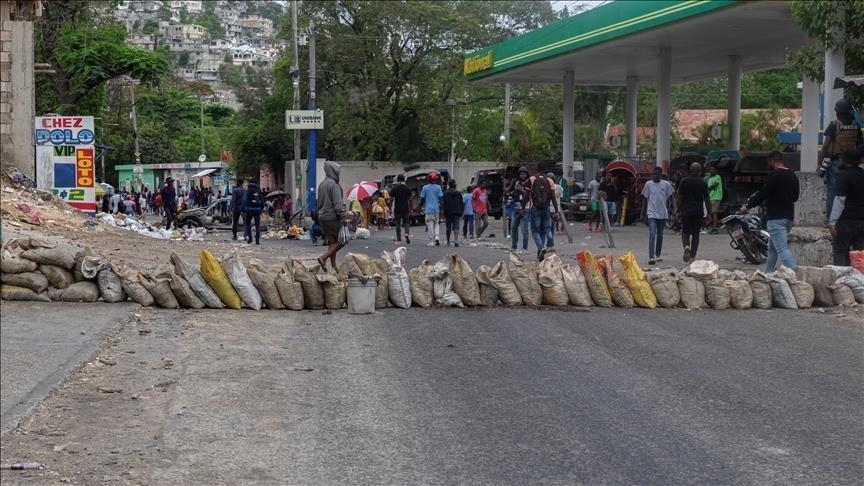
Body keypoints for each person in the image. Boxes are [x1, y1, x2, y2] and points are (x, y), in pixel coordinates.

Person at [742, 150, 800, 272]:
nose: (769, 165)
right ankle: (767, 274)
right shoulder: (793, 175)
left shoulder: (773, 175)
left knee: (782, 249)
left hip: (776, 218)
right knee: (772, 249)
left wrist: (748, 206)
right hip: (789, 218)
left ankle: (797, 275)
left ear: (772, 161)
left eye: (769, 162)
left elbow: (763, 193)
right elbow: (795, 197)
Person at [820, 99, 863, 221]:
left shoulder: (834, 125)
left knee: (833, 191)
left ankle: (830, 219)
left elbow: (825, 147)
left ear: (837, 112)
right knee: (851, 191)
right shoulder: (856, 125)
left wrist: (819, 163)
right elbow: (859, 145)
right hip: (853, 164)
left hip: (836, 162)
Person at [828, 148, 864, 266]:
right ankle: (859, 277)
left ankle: (840, 276)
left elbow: (840, 200)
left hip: (846, 221)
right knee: (859, 255)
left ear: (846, 161)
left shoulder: (844, 176)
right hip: (861, 221)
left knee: (840, 252)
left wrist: (832, 222)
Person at [316, 161, 350, 270]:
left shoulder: (321, 184)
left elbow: (319, 203)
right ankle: (323, 257)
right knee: (342, 240)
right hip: (332, 217)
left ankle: (334, 267)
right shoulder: (334, 185)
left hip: (322, 217)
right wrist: (343, 217)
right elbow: (338, 204)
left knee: (332, 242)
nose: (338, 174)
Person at [675, 162, 711, 263]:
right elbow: (707, 199)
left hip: (686, 211)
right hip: (698, 212)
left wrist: (678, 210)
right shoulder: (703, 182)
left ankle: (686, 246)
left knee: (685, 231)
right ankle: (692, 257)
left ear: (690, 170)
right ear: (700, 171)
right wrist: (709, 213)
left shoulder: (684, 181)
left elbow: (680, 197)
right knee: (696, 234)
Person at [641, 167, 675, 265]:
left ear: (660, 174)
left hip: (662, 213)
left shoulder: (666, 184)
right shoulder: (648, 184)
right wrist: (643, 213)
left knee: (660, 234)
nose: (655, 176)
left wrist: (674, 208)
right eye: (654, 174)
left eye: (657, 174)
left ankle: (658, 254)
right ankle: (651, 257)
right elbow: (645, 199)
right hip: (651, 212)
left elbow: (671, 197)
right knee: (652, 233)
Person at [526, 167, 560, 261]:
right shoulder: (549, 180)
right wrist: (556, 211)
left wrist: (523, 207)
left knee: (535, 230)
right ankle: (548, 243)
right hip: (546, 208)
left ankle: (541, 248)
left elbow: (526, 195)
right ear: (545, 171)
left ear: (537, 169)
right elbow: (553, 197)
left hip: (535, 208)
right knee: (545, 229)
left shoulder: (532, 179)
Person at [509, 166, 530, 254]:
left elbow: (530, 195)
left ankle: (525, 248)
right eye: (521, 174)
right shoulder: (516, 182)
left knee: (524, 229)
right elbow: (510, 191)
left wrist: (522, 190)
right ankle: (514, 246)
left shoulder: (529, 182)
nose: (522, 176)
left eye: (524, 174)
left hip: (525, 208)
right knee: (513, 227)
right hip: (516, 208)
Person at [420, 172, 444, 246]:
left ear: (428, 179)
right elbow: (441, 199)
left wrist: (420, 206)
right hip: (436, 209)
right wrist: (441, 208)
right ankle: (437, 237)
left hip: (428, 209)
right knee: (436, 223)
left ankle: (431, 241)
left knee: (430, 224)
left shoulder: (425, 188)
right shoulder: (438, 187)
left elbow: (422, 199)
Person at [442, 179, 464, 247]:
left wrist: (443, 212)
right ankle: (456, 240)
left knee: (448, 227)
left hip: (448, 212)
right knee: (456, 226)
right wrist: (461, 211)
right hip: (456, 212)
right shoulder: (458, 193)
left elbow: (444, 203)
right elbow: (461, 203)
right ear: (454, 185)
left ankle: (448, 241)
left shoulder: (445, 193)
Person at [390, 174, 411, 244]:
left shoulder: (394, 188)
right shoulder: (407, 188)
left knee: (398, 223)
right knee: (406, 223)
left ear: (397, 180)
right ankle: (406, 233)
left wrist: (390, 208)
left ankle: (399, 239)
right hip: (405, 208)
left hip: (397, 208)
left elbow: (391, 199)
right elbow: (410, 199)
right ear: (404, 180)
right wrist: (411, 208)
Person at [243, 180, 264, 245]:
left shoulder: (247, 191)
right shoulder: (258, 190)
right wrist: (261, 209)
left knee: (248, 224)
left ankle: (250, 237)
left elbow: (244, 200)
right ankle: (257, 240)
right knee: (257, 225)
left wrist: (243, 209)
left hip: (249, 210)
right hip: (257, 210)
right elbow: (262, 201)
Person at [706, 163, 723, 234]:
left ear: (715, 170)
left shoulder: (718, 176)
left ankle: (715, 228)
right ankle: (712, 226)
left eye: (713, 169)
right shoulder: (710, 178)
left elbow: (715, 185)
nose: (711, 170)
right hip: (711, 197)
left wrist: (709, 188)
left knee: (714, 213)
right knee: (711, 213)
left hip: (716, 196)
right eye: (710, 169)